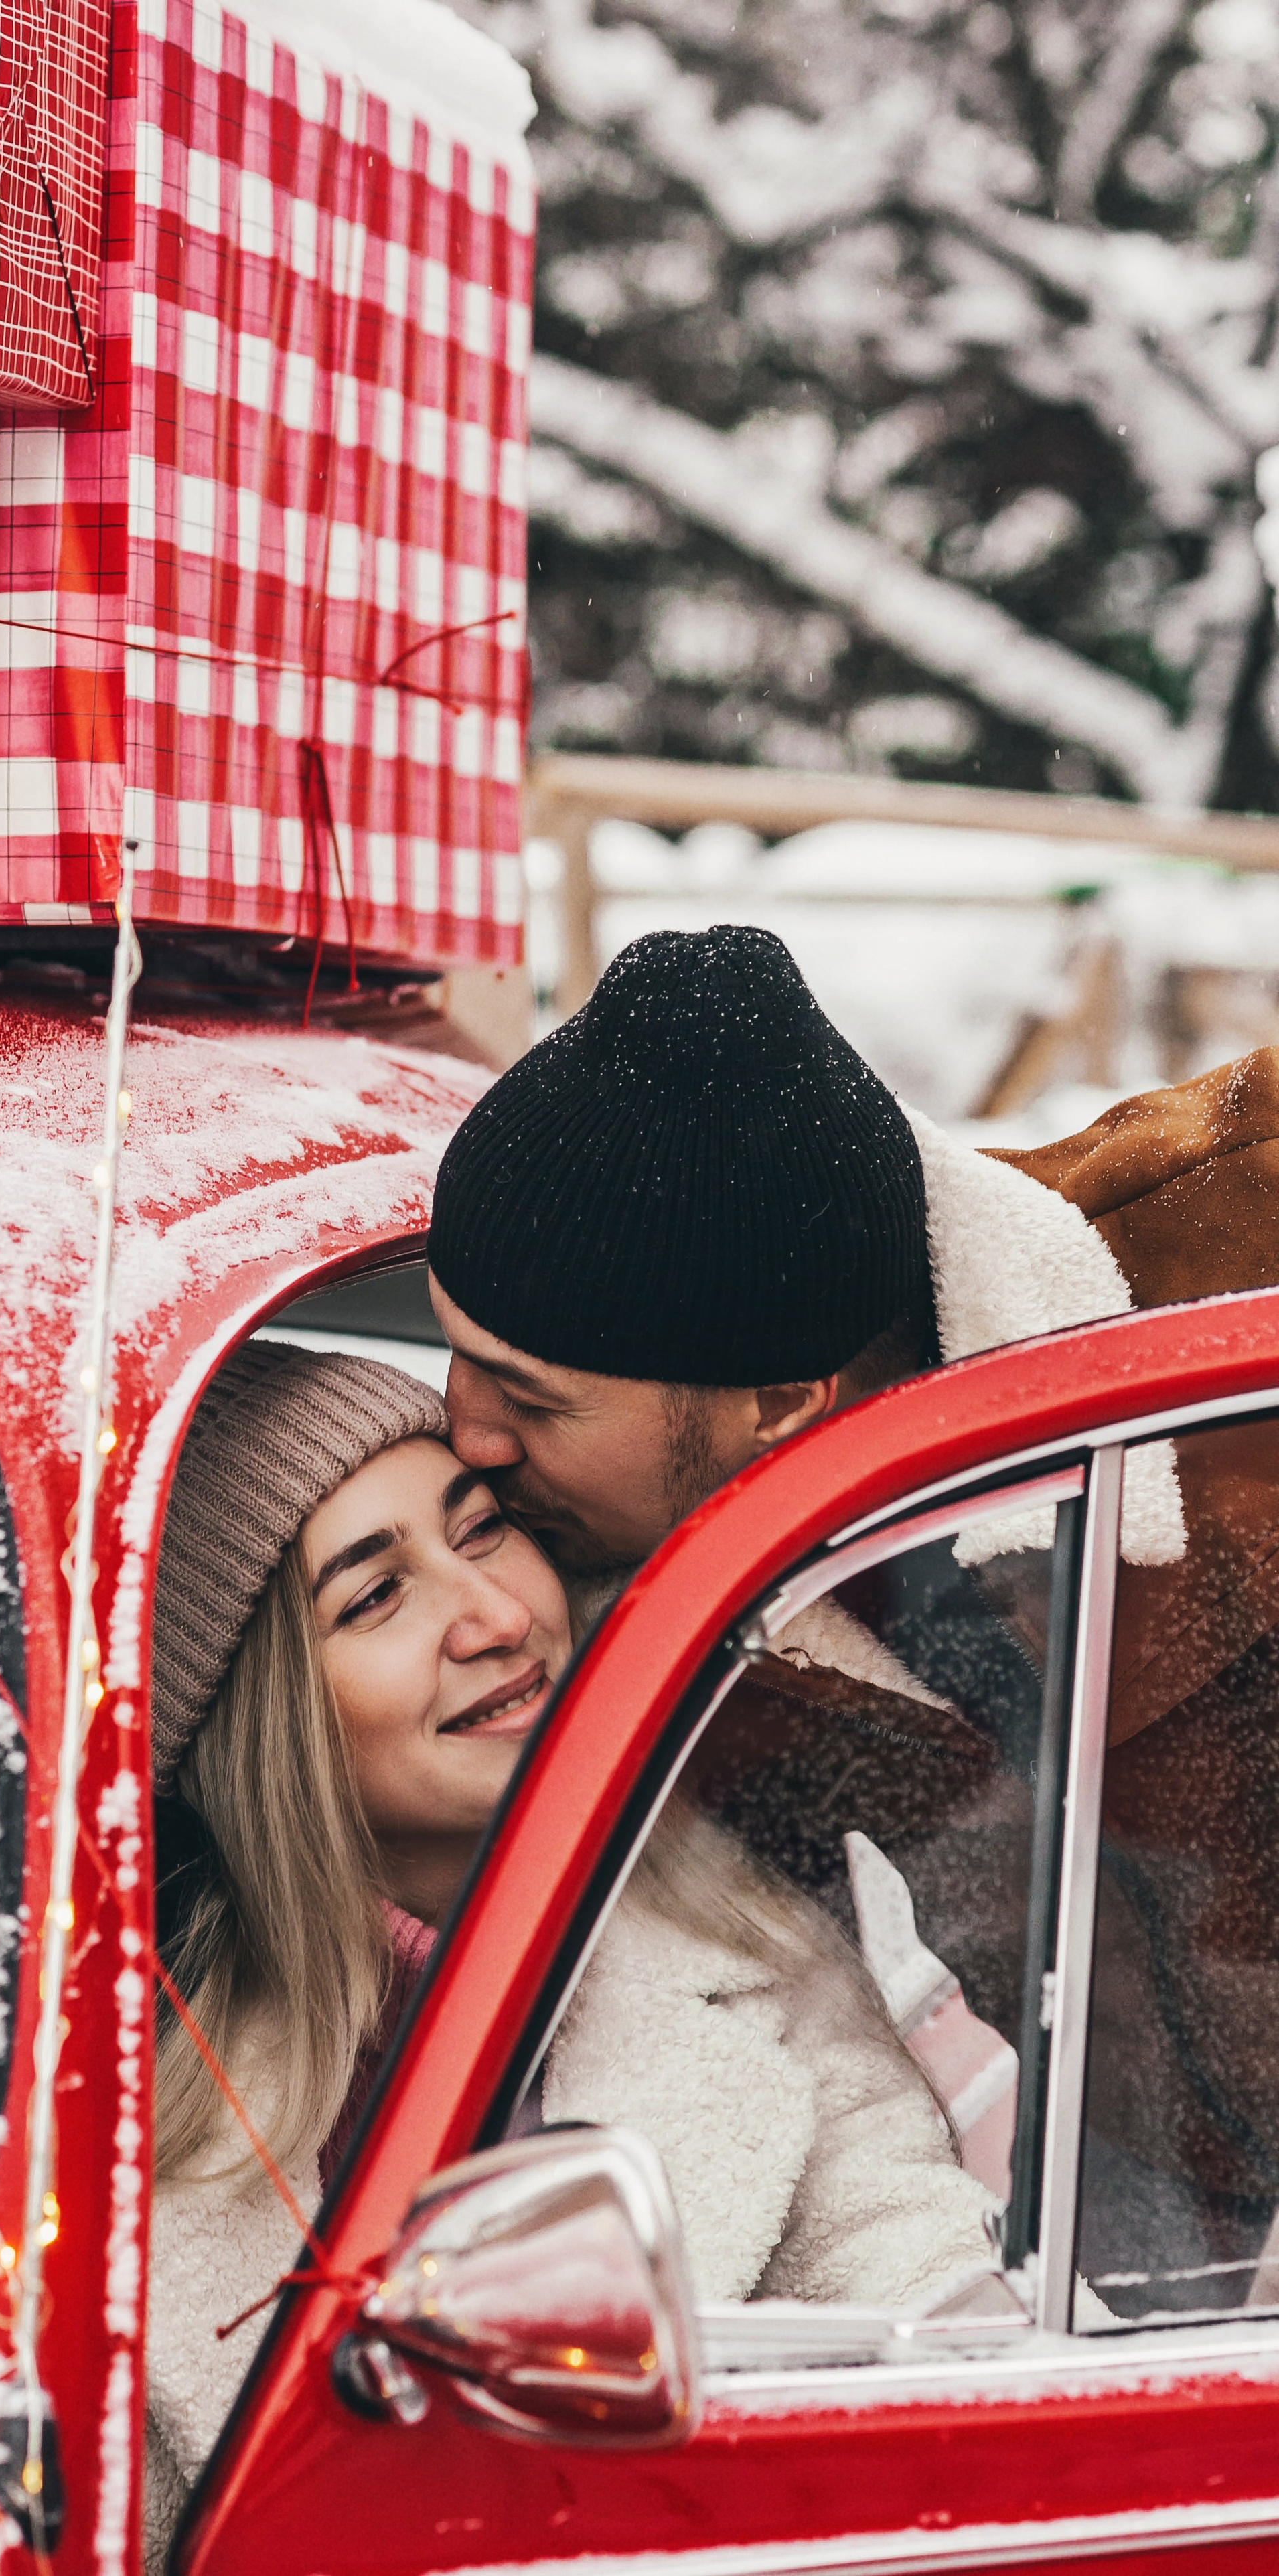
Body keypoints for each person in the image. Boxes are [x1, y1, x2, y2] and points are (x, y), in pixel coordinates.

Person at [426, 924, 1279, 2310]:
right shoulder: (660, 1615)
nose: (466, 1436)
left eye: (528, 1399)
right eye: (452, 1352)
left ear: (777, 1406)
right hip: (1165, 2237)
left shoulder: (1215, 1248)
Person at [143, 1342, 995, 2556]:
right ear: (259, 1723)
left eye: (482, 1529)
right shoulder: (132, 2116)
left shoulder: (740, 1930)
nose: (494, 1617)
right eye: (376, 1597)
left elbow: (938, 2345)